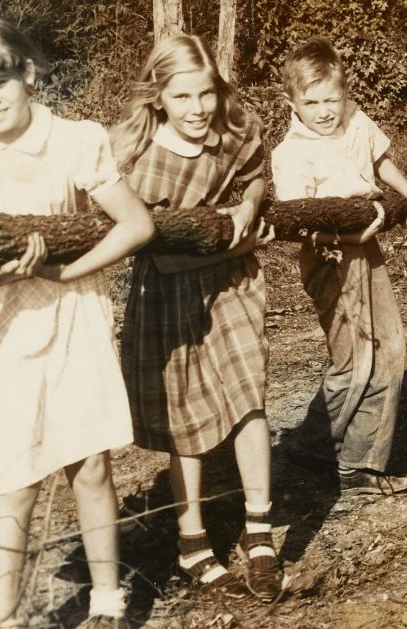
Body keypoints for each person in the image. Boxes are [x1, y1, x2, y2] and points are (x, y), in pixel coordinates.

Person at [0, 15, 155, 629]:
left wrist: (67, 274)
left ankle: (106, 602)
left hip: (71, 318)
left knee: (90, 464)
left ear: (27, 72)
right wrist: (8, 273)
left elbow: (136, 224)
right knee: (12, 480)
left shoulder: (75, 139)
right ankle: (3, 619)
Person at [110, 33, 282, 602]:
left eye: (205, 93)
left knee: (246, 392)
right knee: (186, 414)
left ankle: (260, 531)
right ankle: (192, 542)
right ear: (158, 96)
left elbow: (256, 174)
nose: (198, 109)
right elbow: (158, 251)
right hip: (168, 289)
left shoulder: (230, 129)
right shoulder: (136, 158)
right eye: (182, 97)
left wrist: (248, 207)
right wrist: (240, 243)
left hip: (229, 286)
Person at [271, 37, 407, 496]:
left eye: (331, 100)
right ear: (292, 103)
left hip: (367, 250)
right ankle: (316, 445)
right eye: (311, 102)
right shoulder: (291, 153)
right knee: (355, 360)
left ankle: (358, 459)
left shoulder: (356, 121)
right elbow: (300, 225)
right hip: (329, 255)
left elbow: (380, 159)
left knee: (391, 348)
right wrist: (354, 229)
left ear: (344, 94)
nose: (324, 111)